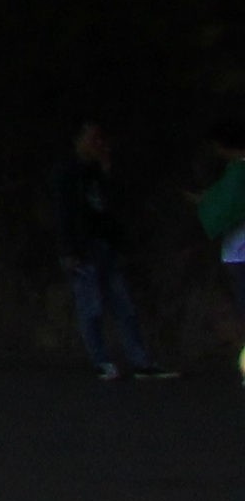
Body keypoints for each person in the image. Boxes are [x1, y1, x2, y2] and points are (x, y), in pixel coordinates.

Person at [57, 121, 169, 378]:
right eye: (92, 138)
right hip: (82, 248)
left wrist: (106, 171)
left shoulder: (98, 172)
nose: (98, 144)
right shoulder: (66, 172)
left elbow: (110, 206)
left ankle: (141, 361)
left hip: (105, 245)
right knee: (91, 307)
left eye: (100, 139)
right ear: (78, 141)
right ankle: (101, 361)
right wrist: (69, 250)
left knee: (124, 306)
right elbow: (63, 213)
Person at [198, 117, 245, 382]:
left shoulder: (238, 172)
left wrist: (206, 204)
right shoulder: (234, 172)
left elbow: (226, 207)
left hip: (240, 253)